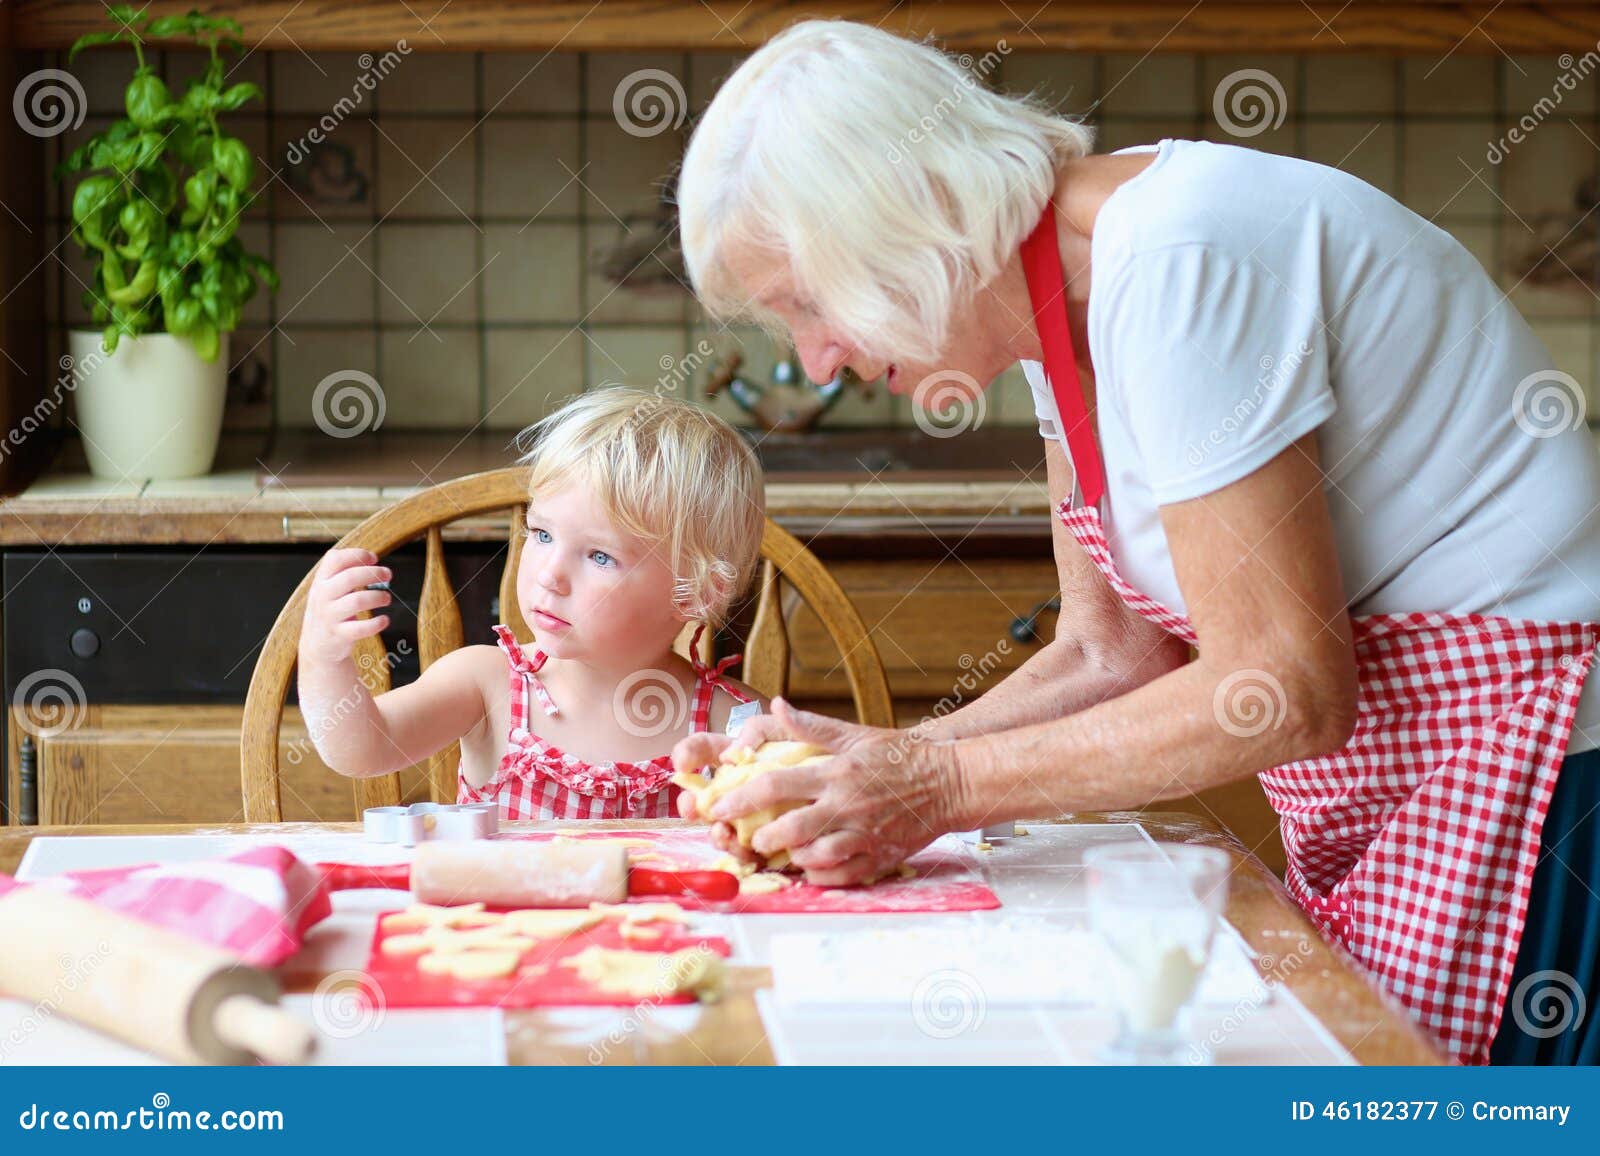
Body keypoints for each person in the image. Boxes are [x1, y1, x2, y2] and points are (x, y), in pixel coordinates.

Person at [671, 19, 1600, 1064]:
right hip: (1430, 798)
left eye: (807, 304)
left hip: (1552, 796)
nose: (816, 358)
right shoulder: (1055, 306)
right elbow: (1112, 654)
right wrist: (887, 758)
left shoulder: (1181, 257)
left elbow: (1285, 685)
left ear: (903, 219)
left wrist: (929, 791)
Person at [300, 387, 767, 819]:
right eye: (542, 534)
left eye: (599, 556)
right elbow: (361, 750)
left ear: (695, 593)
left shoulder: (739, 728)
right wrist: (324, 658)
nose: (548, 575)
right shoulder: (486, 687)